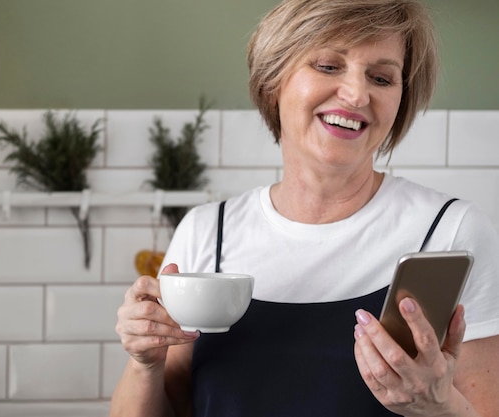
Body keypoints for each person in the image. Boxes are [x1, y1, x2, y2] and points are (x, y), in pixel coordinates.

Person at [110, 0, 499, 416]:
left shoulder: (451, 234)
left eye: (381, 77)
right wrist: (144, 363)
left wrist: (440, 407)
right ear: (274, 80)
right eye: (329, 66)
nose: (356, 94)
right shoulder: (208, 231)